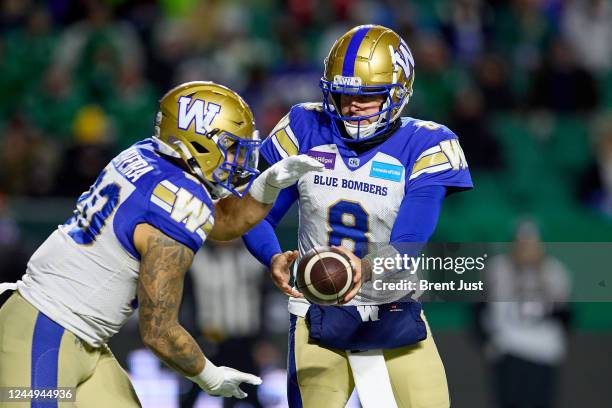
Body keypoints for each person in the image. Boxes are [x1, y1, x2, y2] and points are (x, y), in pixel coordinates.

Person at [0, 81, 323, 407]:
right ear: (199, 143)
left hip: (81, 336)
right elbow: (159, 330)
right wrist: (210, 376)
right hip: (46, 332)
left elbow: (218, 223)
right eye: (230, 147)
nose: (237, 159)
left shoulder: (145, 153)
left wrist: (267, 185)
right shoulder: (181, 200)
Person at [243, 25, 473, 408]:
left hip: (394, 311)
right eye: (343, 94)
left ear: (399, 93)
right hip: (317, 315)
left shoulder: (427, 143)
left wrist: (360, 270)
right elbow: (255, 216)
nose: (351, 106)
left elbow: (408, 242)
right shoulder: (305, 125)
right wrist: (273, 257)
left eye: (366, 98)